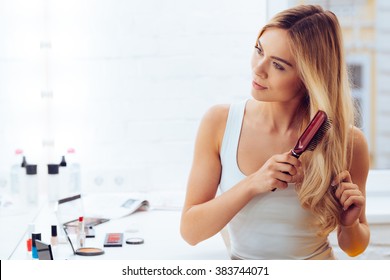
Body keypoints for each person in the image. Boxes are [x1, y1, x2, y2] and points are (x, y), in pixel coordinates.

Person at [180, 4, 370, 260]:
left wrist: (349, 224)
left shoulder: (349, 142)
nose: (258, 68)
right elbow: (191, 232)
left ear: (308, 77)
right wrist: (252, 183)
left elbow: (354, 247)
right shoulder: (220, 123)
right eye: (259, 50)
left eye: (279, 66)